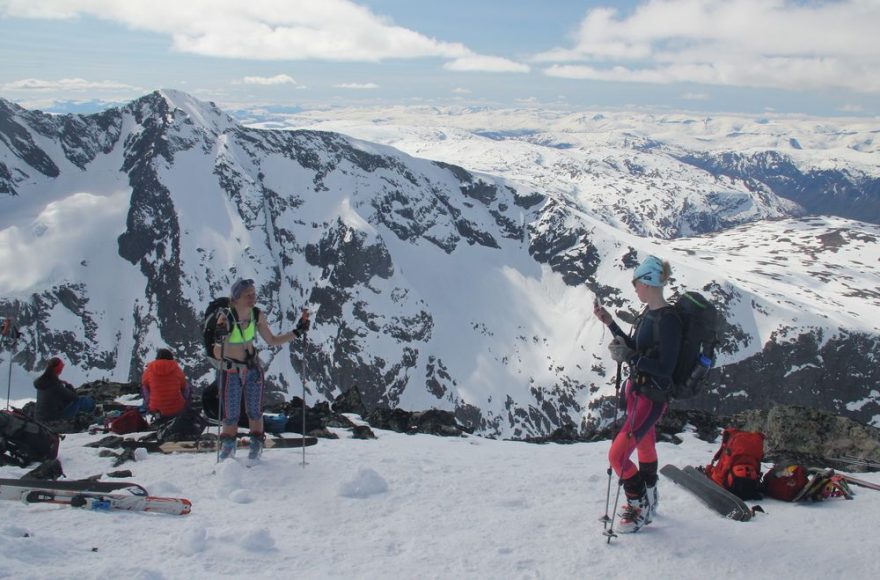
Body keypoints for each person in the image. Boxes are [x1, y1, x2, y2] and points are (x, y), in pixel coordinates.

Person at [593, 255, 682, 533]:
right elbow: (638, 347)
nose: (634, 287)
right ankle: (651, 496)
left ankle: (639, 504)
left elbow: (666, 367)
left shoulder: (668, 321)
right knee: (644, 444)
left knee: (617, 456)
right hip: (639, 391)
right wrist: (610, 323)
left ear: (649, 282)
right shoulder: (650, 314)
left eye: (637, 282)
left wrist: (630, 356)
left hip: (651, 396)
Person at [213, 278, 310, 461]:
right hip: (232, 370)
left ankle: (254, 443)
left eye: (253, 294)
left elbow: (271, 340)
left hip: (252, 369)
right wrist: (220, 338)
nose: (252, 298)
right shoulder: (226, 317)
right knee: (231, 413)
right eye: (247, 295)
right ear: (236, 298)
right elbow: (217, 351)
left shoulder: (257, 315)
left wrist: (297, 332)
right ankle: (228, 445)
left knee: (254, 411)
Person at [33, 357, 96, 422]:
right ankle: (95, 411)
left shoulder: (42, 382)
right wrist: (69, 386)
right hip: (54, 418)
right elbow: (74, 397)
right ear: (58, 369)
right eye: (61, 368)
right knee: (81, 400)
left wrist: (60, 383)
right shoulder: (55, 385)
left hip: (39, 417)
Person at [141, 348, 190, 418]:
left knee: (144, 386)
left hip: (156, 410)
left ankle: (148, 406)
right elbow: (184, 386)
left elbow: (144, 384)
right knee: (187, 386)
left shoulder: (149, 370)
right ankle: (184, 405)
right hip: (177, 409)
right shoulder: (177, 369)